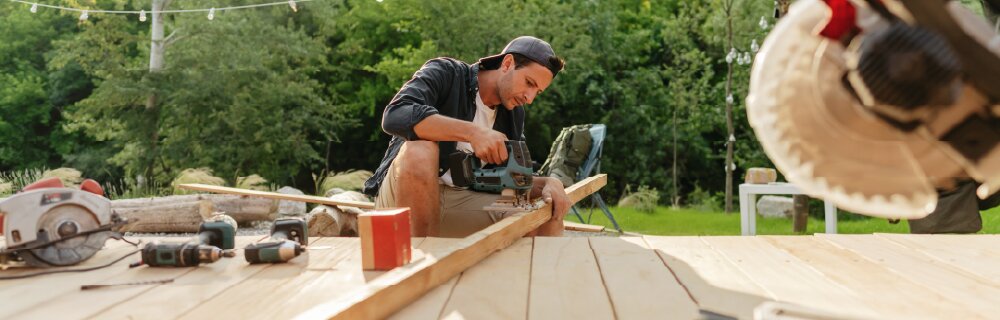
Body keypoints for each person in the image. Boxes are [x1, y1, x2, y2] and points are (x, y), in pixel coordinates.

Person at [362, 36, 570, 237]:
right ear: (507, 63)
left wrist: (548, 184)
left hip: (459, 200)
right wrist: (473, 133)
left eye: (538, 92)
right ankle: (422, 266)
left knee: (537, 219)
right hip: (400, 199)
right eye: (529, 83)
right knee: (420, 150)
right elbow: (395, 115)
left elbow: (513, 180)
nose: (530, 97)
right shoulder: (447, 73)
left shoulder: (514, 113)